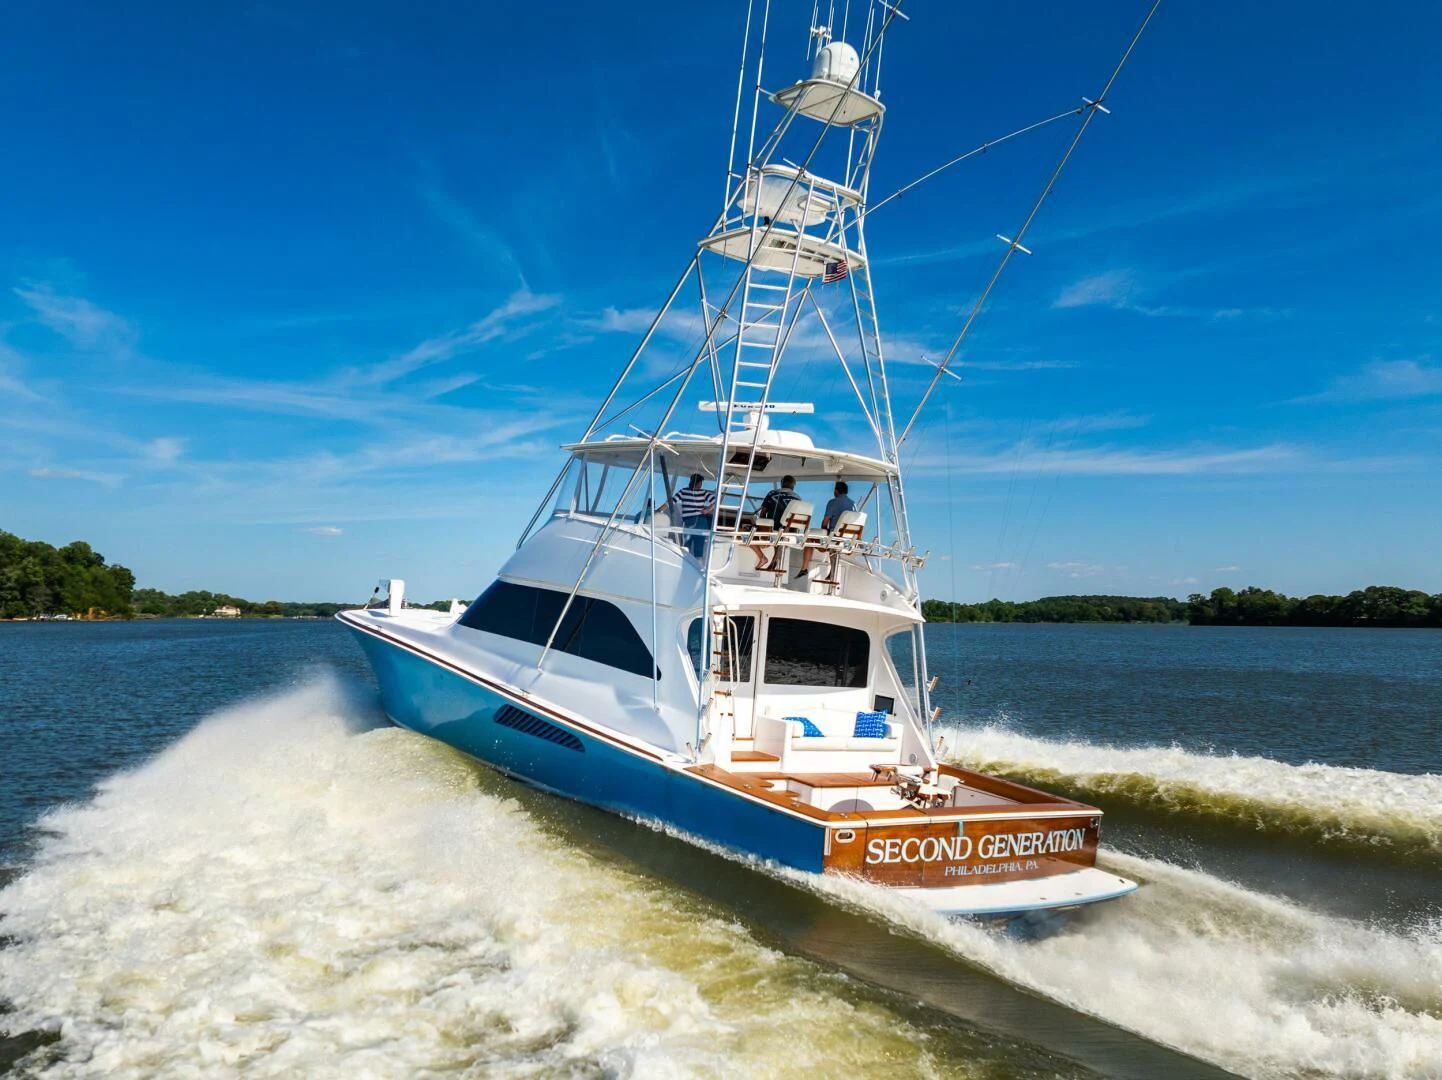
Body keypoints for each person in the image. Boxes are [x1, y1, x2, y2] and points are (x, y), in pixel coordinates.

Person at [797, 480, 854, 578]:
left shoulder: (833, 502)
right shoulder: (853, 504)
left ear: (836, 491)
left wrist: (823, 531)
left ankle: (804, 568)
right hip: (847, 539)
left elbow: (825, 521)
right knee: (834, 541)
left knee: (810, 538)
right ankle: (832, 571)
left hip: (834, 538)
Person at [749, 475, 799, 571]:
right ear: (793, 485)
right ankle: (775, 558)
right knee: (781, 534)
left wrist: (759, 527)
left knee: (746, 531)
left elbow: (763, 512)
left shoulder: (772, 494)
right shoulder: (798, 498)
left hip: (772, 530)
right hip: (789, 532)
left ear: (782, 483)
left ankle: (762, 557)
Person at [669, 473, 716, 560]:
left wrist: (707, 510)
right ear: (697, 483)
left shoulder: (698, 492)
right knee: (689, 546)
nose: (701, 485)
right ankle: (693, 567)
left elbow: (671, 502)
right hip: (694, 522)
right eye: (700, 483)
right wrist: (708, 509)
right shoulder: (687, 492)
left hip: (698, 521)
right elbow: (671, 502)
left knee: (689, 547)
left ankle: (693, 567)